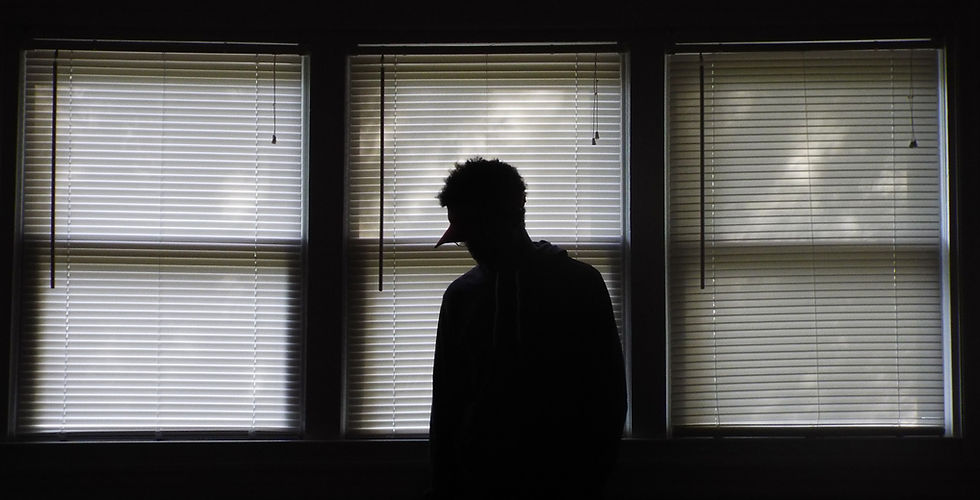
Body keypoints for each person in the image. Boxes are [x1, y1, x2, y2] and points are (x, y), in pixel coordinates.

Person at [429, 157, 627, 499]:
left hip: (567, 478)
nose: (471, 247)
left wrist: (592, 475)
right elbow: (447, 402)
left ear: (509, 217)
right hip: (479, 480)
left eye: (475, 232)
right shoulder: (460, 297)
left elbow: (608, 393)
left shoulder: (580, 286)